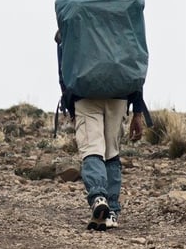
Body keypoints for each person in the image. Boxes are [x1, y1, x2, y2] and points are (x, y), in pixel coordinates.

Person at [55, 29, 149, 231]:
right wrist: (138, 112)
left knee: (92, 150)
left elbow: (64, 70)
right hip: (119, 95)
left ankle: (99, 198)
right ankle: (112, 212)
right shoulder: (121, 27)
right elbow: (135, 66)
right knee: (111, 153)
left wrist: (70, 105)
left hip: (85, 94)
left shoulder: (71, 29)